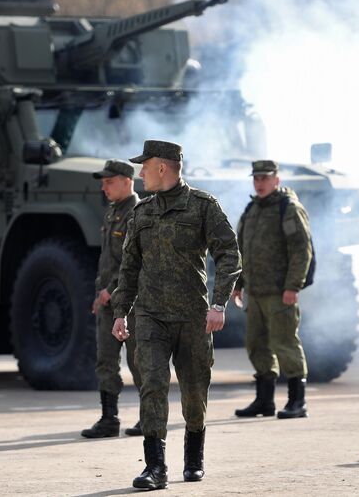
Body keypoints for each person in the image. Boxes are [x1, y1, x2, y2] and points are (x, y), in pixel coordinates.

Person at [111, 140, 241, 489]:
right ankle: (155, 468)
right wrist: (121, 312)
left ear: (162, 168)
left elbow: (229, 253)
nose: (140, 173)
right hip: (151, 317)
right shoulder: (141, 213)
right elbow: (129, 267)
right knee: (151, 385)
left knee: (194, 393)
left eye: (144, 166)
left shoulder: (203, 207)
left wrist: (219, 304)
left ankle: (193, 456)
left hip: (192, 317)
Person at [231, 160, 313, 420]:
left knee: (285, 343)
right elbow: (241, 250)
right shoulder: (252, 209)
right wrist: (238, 284)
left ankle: (297, 402)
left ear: (276, 179)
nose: (260, 183)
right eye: (256, 178)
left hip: (280, 292)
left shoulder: (288, 208)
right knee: (256, 345)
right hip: (255, 292)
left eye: (265, 178)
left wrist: (293, 286)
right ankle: (264, 401)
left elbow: (301, 250)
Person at [81, 159, 143, 439]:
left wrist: (112, 289)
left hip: (131, 301)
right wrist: (100, 291)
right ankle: (109, 418)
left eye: (109, 181)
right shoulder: (111, 213)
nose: (104, 187)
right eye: (103, 182)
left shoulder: (137, 214)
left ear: (127, 181)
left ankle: (149, 416)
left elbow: (135, 262)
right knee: (105, 360)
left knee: (140, 362)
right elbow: (106, 260)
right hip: (107, 301)